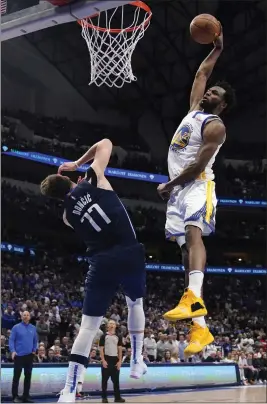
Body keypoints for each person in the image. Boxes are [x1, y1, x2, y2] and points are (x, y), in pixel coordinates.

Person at [40, 139, 147, 403]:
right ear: (67, 178)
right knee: (135, 304)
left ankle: (68, 390)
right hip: (128, 252)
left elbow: (77, 205)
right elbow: (107, 142)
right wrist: (77, 163)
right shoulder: (94, 178)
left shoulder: (67, 217)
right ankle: (136, 361)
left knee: (87, 328)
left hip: (101, 262)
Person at [157, 28, 236, 356]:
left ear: (224, 104)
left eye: (215, 93)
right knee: (183, 251)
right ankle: (200, 331)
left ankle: (192, 296)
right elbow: (202, 72)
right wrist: (216, 48)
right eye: (209, 91)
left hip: (195, 186)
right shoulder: (193, 111)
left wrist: (170, 185)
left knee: (193, 236)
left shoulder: (215, 127)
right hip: (177, 193)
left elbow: (195, 168)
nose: (208, 93)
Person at [9, 311, 37, 403]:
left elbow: (35, 340)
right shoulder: (16, 327)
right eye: (24, 315)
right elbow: (11, 340)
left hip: (29, 356)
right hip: (19, 356)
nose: (26, 316)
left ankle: (26, 396)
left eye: (27, 315)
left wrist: (34, 350)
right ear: (21, 317)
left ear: (29, 317)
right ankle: (15, 396)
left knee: (28, 377)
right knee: (16, 377)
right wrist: (13, 351)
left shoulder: (33, 328)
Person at [99, 320, 124, 403]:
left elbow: (120, 349)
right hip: (106, 359)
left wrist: (120, 361)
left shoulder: (118, 336)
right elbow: (101, 349)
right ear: (107, 326)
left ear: (115, 326)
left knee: (116, 381)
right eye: (110, 324)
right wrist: (103, 360)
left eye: (113, 324)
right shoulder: (103, 336)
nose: (112, 325)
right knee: (104, 381)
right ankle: (104, 398)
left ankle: (117, 398)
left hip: (115, 360)